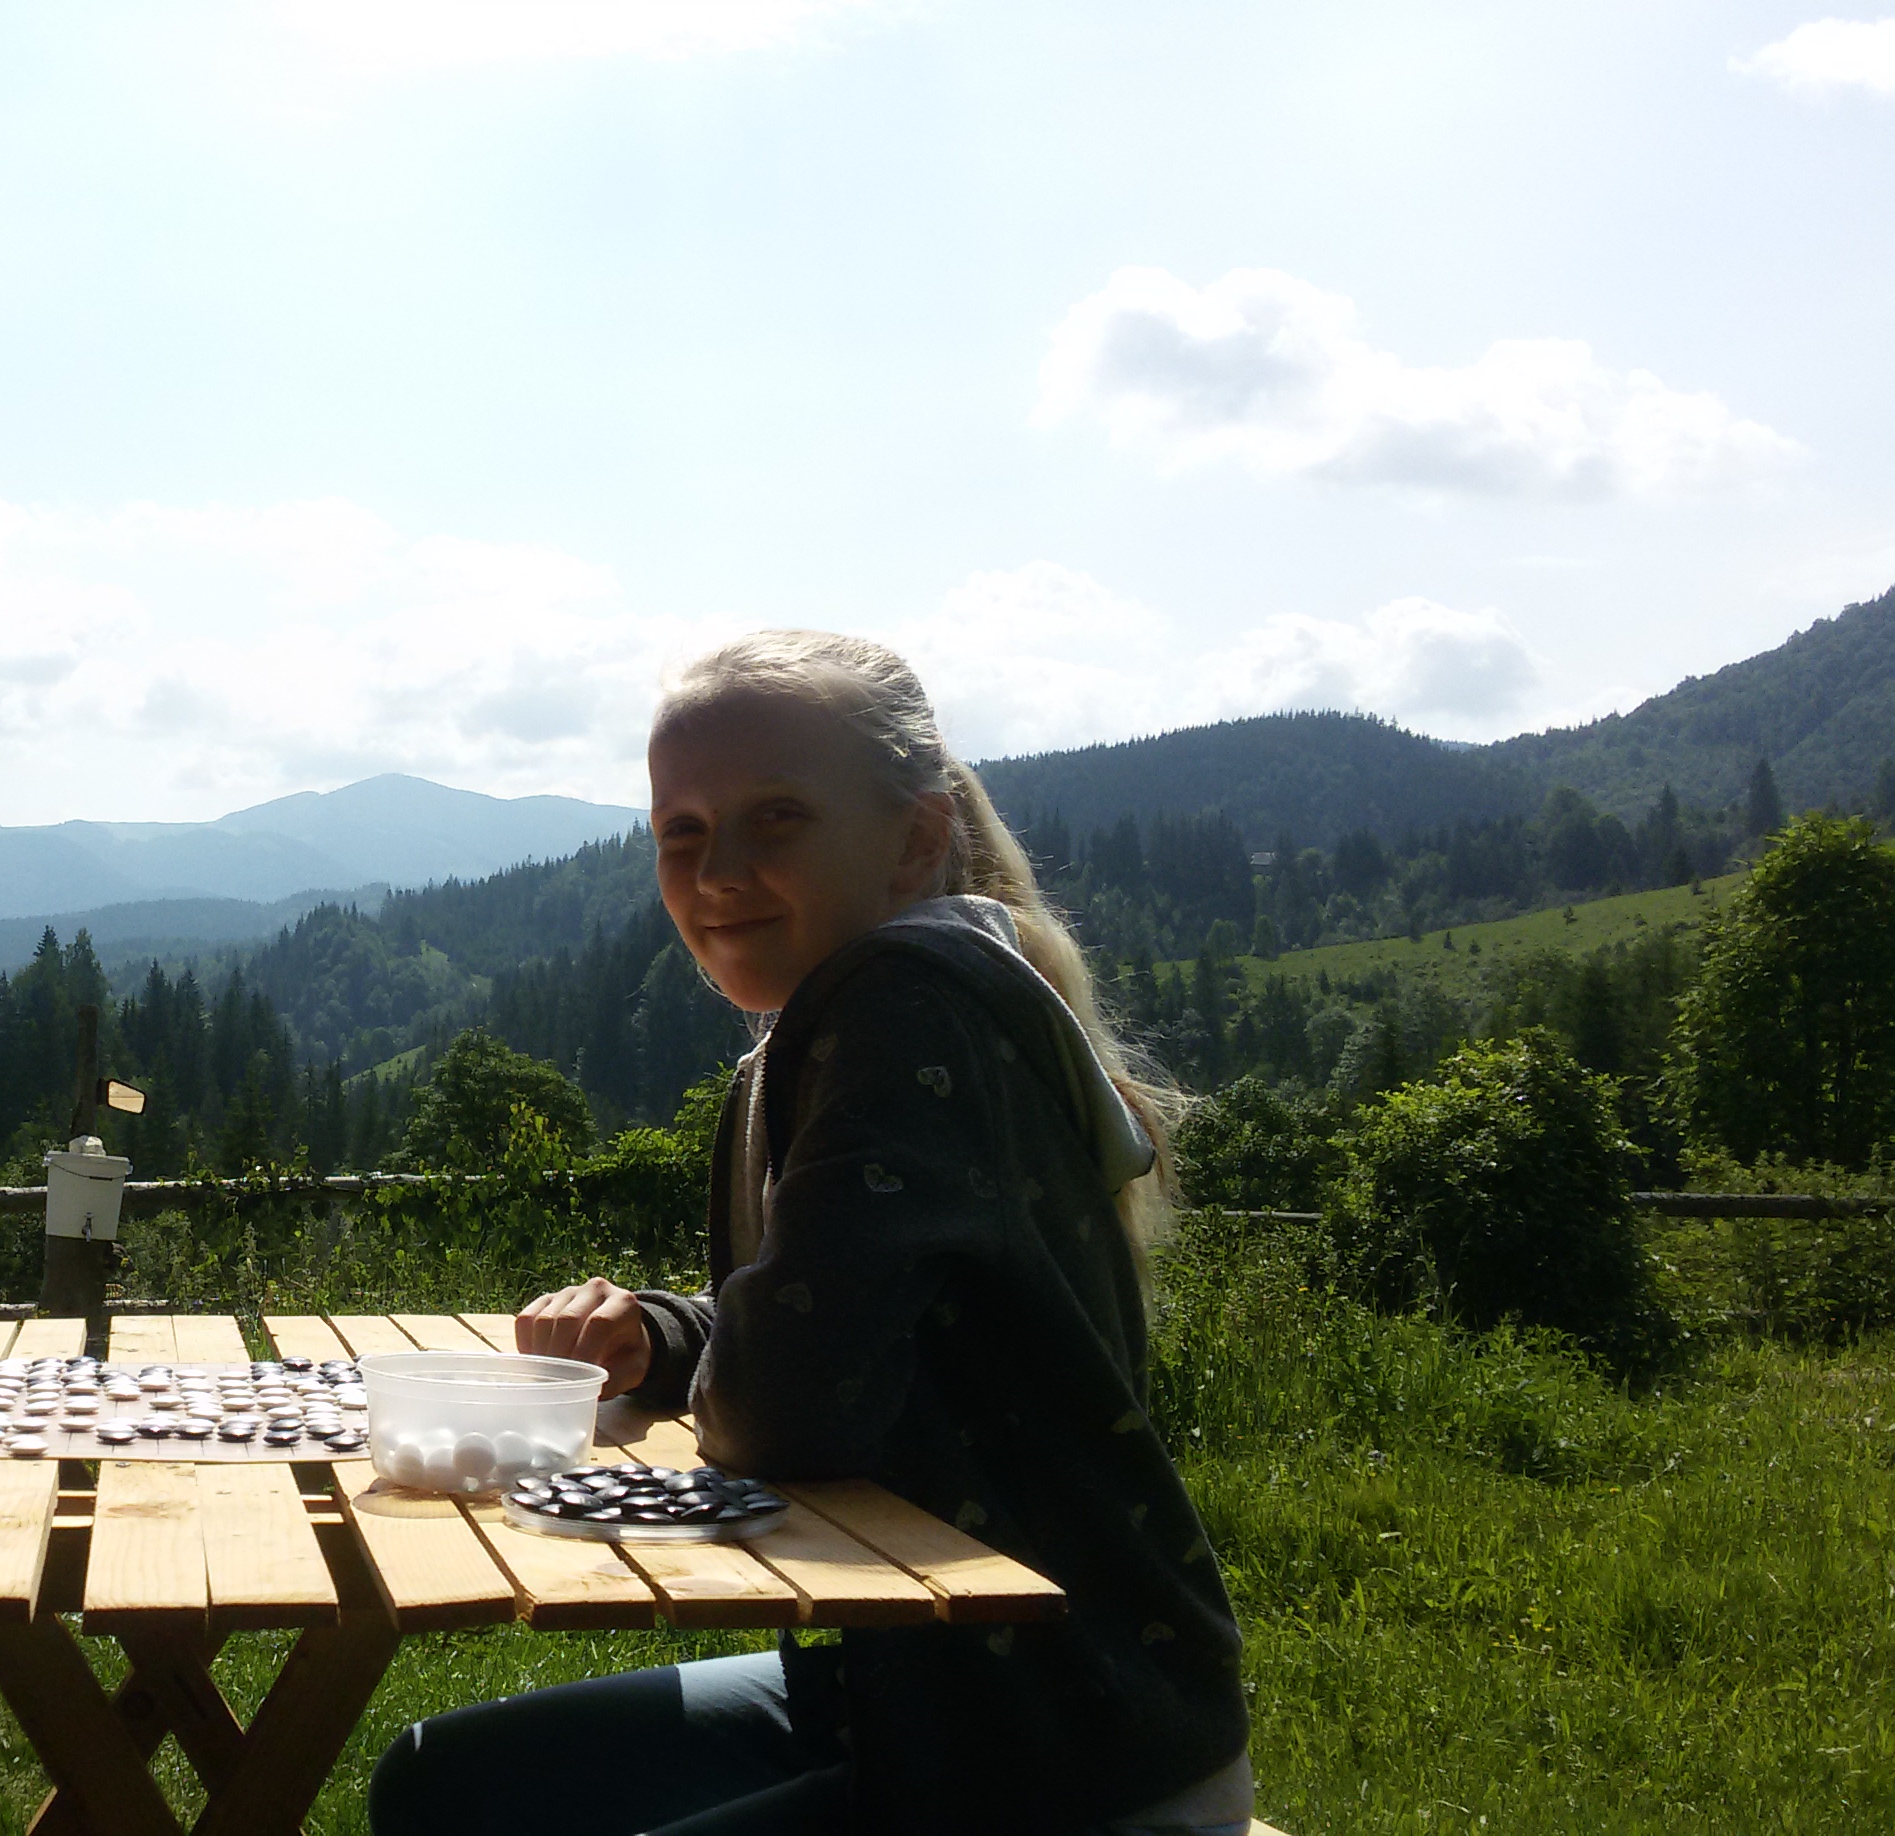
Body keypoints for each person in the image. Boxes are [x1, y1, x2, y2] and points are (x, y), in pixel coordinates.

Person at [371, 632, 1252, 1836]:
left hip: (1055, 1751)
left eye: (775, 817)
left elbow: (786, 1409)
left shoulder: (903, 1003)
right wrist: (663, 1334)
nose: (717, 871)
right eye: (681, 830)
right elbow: (858, 1314)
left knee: (456, 1794)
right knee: (445, 1780)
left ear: (915, 841)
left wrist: (736, 1366)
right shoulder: (888, 1008)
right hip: (901, 1687)